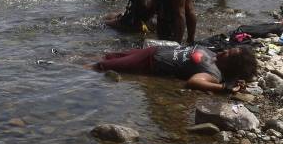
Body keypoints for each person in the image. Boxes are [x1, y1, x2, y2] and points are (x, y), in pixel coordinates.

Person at [93, 45, 257, 93]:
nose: (225, 51)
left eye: (229, 54)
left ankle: (73, 69)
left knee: (101, 66)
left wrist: (223, 87)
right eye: (228, 49)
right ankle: (73, 61)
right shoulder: (214, 55)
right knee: (108, 56)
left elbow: (194, 82)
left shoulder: (213, 74)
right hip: (153, 51)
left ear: (231, 64)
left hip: (149, 63)